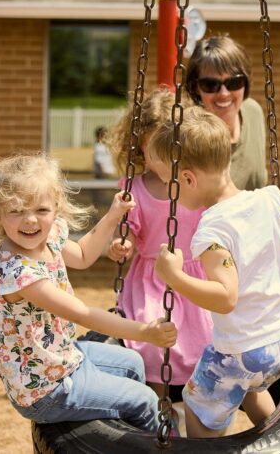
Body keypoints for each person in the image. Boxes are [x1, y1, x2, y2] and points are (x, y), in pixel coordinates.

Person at [150, 107, 280, 438]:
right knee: (248, 388)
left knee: (195, 403)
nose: (167, 193)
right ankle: (279, 440)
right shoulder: (271, 199)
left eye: (167, 183)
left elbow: (226, 297)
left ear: (188, 179)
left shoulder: (211, 230)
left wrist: (174, 276)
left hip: (243, 353)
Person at [0, 151, 177, 430]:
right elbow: (82, 314)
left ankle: (126, 435)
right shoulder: (18, 273)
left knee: (133, 363)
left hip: (62, 356)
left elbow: (83, 254)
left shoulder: (49, 236)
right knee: (146, 401)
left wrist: (113, 215)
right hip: (46, 390)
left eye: (41, 210)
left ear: (56, 207)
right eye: (16, 211)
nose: (30, 221)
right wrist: (144, 332)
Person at [102, 89, 213, 397]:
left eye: (168, 147)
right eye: (152, 148)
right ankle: (159, 409)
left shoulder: (197, 184)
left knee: (208, 338)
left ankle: (200, 413)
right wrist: (120, 244)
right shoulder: (134, 188)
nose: (161, 157)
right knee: (152, 340)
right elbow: (127, 231)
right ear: (138, 146)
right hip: (152, 279)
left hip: (194, 276)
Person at [185, 34, 267, 191]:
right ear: (195, 87)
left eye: (234, 82)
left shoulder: (253, 112)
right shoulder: (189, 133)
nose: (224, 93)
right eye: (210, 84)